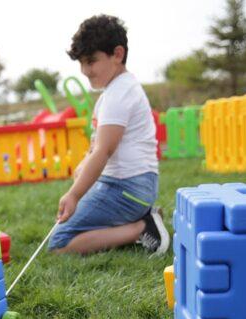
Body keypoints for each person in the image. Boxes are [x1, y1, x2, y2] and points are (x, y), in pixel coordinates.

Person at [48, 15, 169, 255]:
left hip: (127, 187)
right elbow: (96, 148)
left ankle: (143, 227)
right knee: (72, 225)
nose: (85, 71)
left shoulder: (119, 94)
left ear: (117, 54)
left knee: (60, 242)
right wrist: (83, 165)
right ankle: (141, 219)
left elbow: (104, 151)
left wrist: (74, 195)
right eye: (81, 63)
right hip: (128, 185)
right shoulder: (114, 91)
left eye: (91, 61)